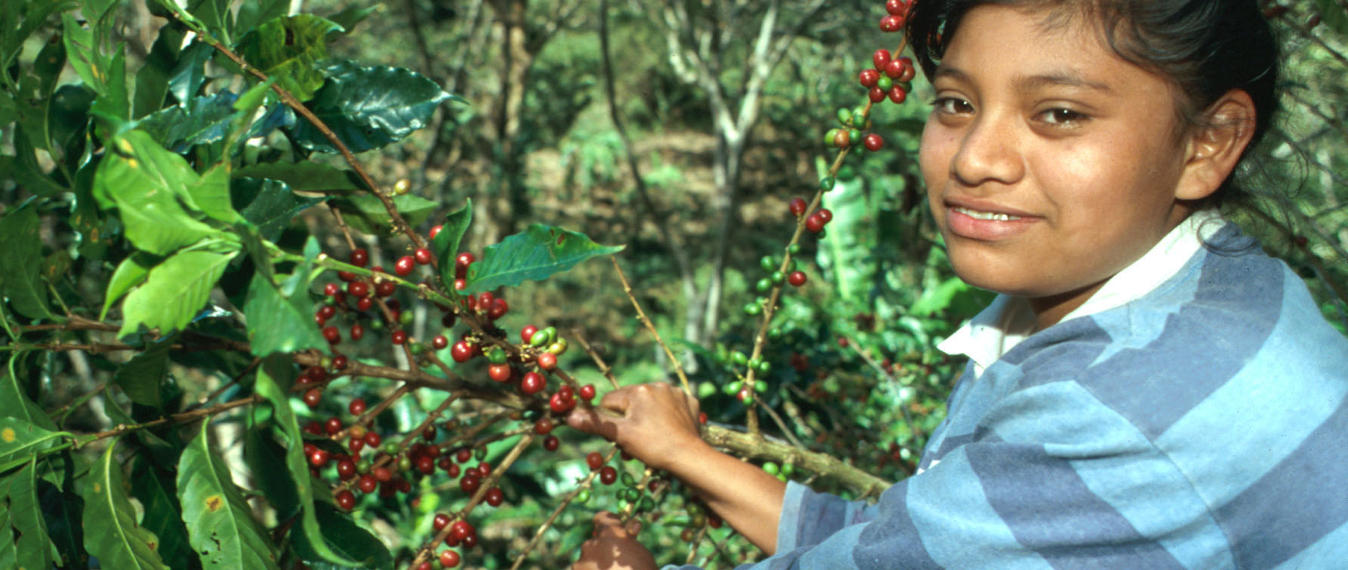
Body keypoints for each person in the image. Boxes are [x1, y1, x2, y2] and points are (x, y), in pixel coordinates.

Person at [567, 0, 1348, 568]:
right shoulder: (1234, 285)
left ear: (1209, 144)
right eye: (955, 103)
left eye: (1061, 114)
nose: (975, 158)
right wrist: (682, 452)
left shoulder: (1123, 405)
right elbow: (915, 543)